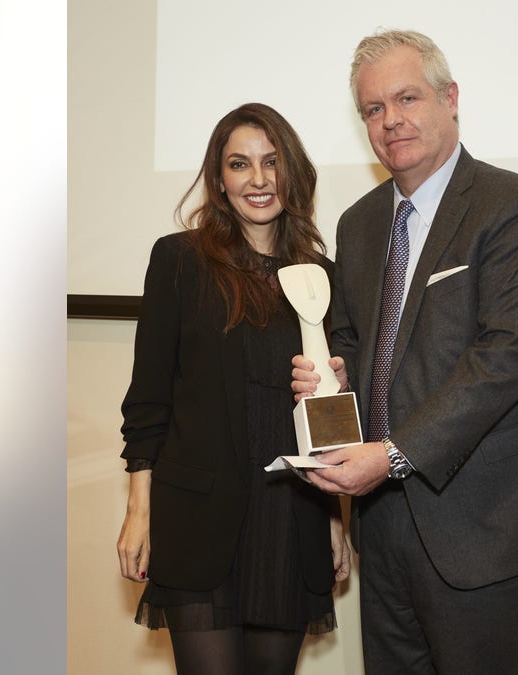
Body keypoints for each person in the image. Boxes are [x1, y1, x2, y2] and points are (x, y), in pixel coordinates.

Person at [291, 30, 518, 674]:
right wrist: (333, 374)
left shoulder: (515, 207)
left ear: (449, 99)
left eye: (407, 98)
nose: (391, 120)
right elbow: (355, 341)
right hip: (385, 523)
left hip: (484, 522)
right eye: (373, 109)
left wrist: (393, 455)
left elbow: (507, 354)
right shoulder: (359, 223)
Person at [117, 102, 351, 675]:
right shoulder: (178, 261)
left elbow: (326, 416)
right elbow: (148, 400)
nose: (259, 179)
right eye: (240, 164)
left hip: (289, 520)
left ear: (290, 172)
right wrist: (138, 511)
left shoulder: (319, 275)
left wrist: (334, 518)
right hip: (197, 521)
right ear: (219, 181)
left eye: (271, 162)